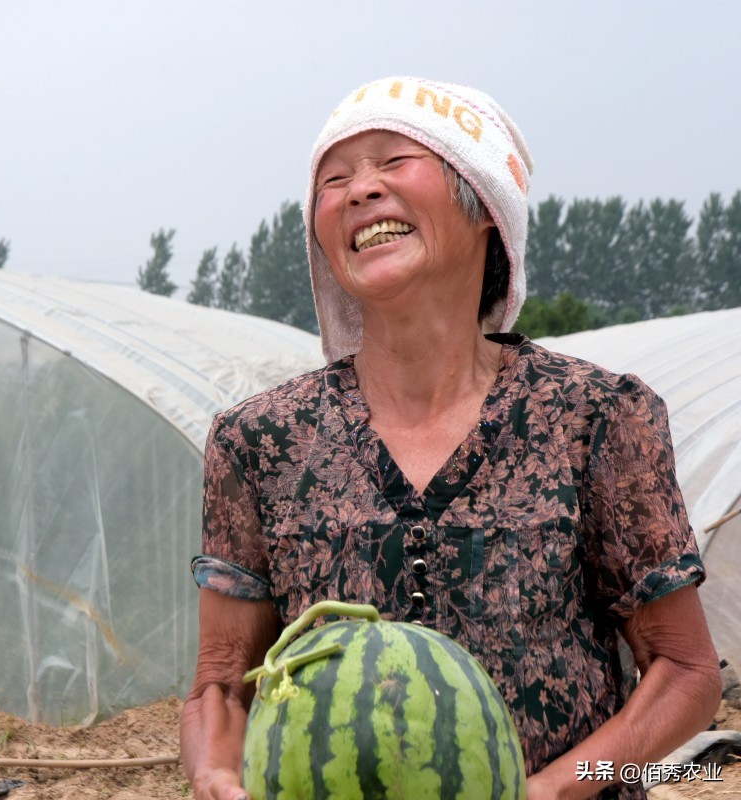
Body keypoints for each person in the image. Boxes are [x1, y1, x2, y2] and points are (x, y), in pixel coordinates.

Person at [180, 77, 721, 800]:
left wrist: (558, 788)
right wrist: (217, 774)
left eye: (393, 161)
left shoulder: (595, 417)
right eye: (334, 180)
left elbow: (687, 676)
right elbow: (219, 685)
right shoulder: (260, 442)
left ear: (484, 205)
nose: (360, 190)